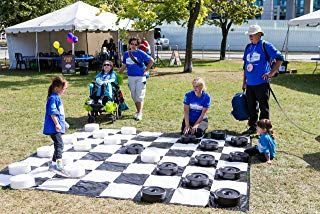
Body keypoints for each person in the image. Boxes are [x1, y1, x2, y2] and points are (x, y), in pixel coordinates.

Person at [242, 25, 284, 134]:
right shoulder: (248, 47)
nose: (250, 36)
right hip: (250, 84)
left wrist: (271, 73)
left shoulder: (266, 45)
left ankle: (264, 129)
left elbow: (280, 58)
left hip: (262, 84)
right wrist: (244, 82)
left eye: (253, 34)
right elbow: (245, 66)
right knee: (251, 107)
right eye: (249, 35)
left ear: (259, 34)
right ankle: (252, 127)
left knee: (263, 108)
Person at [119, 37, 154, 121]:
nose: (133, 46)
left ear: (138, 45)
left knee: (139, 96)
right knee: (134, 96)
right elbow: (124, 65)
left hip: (140, 77)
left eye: (136, 44)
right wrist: (117, 73)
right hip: (130, 77)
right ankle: (138, 111)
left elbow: (151, 60)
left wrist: (146, 70)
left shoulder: (140, 53)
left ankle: (140, 113)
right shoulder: (126, 54)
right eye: (132, 44)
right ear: (129, 44)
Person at [43, 76, 69, 176]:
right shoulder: (53, 98)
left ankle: (53, 164)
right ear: (57, 88)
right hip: (54, 127)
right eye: (63, 89)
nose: (64, 91)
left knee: (58, 144)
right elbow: (52, 112)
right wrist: (57, 124)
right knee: (60, 145)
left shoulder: (56, 97)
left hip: (56, 126)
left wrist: (64, 123)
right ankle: (58, 166)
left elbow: (59, 113)